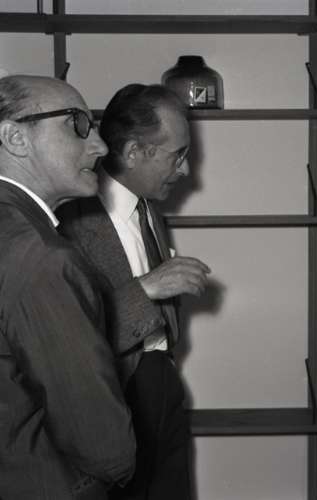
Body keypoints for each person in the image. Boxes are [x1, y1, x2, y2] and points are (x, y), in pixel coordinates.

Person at [58, 83, 211, 500]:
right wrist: (148, 287)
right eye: (177, 155)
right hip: (109, 395)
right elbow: (67, 335)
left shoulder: (148, 206)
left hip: (162, 383)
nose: (185, 171)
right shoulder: (66, 221)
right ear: (132, 152)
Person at [0, 75, 136, 500]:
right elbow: (101, 439)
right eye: (77, 124)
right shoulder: (41, 254)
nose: (100, 146)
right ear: (15, 138)